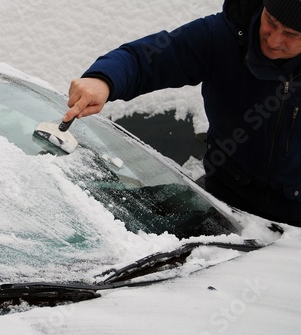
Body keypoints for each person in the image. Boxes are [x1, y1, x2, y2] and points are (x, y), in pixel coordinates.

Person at [62, 0, 301, 226]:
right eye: (270, 21)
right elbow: (144, 59)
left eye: (291, 34)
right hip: (228, 207)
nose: (274, 39)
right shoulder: (224, 36)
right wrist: (103, 80)